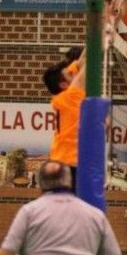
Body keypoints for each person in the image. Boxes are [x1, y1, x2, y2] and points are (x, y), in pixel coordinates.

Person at [0, 160, 122, 255]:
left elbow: (7, 251)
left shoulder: (29, 211)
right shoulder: (95, 214)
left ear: (41, 183)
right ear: (69, 181)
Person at [42, 48, 86, 193]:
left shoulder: (69, 95)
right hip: (68, 165)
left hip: (67, 162)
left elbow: (81, 63)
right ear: (63, 85)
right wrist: (105, 37)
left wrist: (100, 32)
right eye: (70, 74)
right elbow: (90, 62)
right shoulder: (70, 97)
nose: (75, 73)